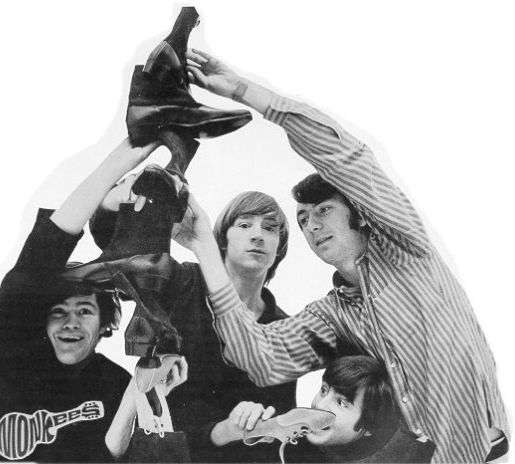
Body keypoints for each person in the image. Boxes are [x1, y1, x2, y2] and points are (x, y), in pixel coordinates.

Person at [178, 49, 510, 463]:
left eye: (323, 211)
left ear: (359, 214)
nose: (311, 225)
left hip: (483, 447)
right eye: (302, 219)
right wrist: (204, 247)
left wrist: (244, 90)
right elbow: (259, 359)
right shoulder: (333, 315)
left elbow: (347, 159)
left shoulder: (406, 249)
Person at [0, 139, 187, 462]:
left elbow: (104, 457)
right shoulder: (17, 355)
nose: (71, 321)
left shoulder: (113, 381)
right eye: (59, 311)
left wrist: (138, 391)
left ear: (105, 323)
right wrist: (130, 152)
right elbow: (39, 258)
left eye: (85, 310)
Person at [93, 182, 297, 462]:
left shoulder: (285, 331)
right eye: (245, 225)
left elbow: (281, 427)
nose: (258, 235)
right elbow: (120, 253)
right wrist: (116, 199)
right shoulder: (182, 282)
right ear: (222, 239)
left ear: (280, 248)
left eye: (270, 228)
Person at [213, 356, 435, 463]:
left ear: (368, 426)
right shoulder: (294, 444)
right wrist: (230, 430)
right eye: (324, 390)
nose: (320, 405)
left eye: (342, 403)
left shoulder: (417, 454)